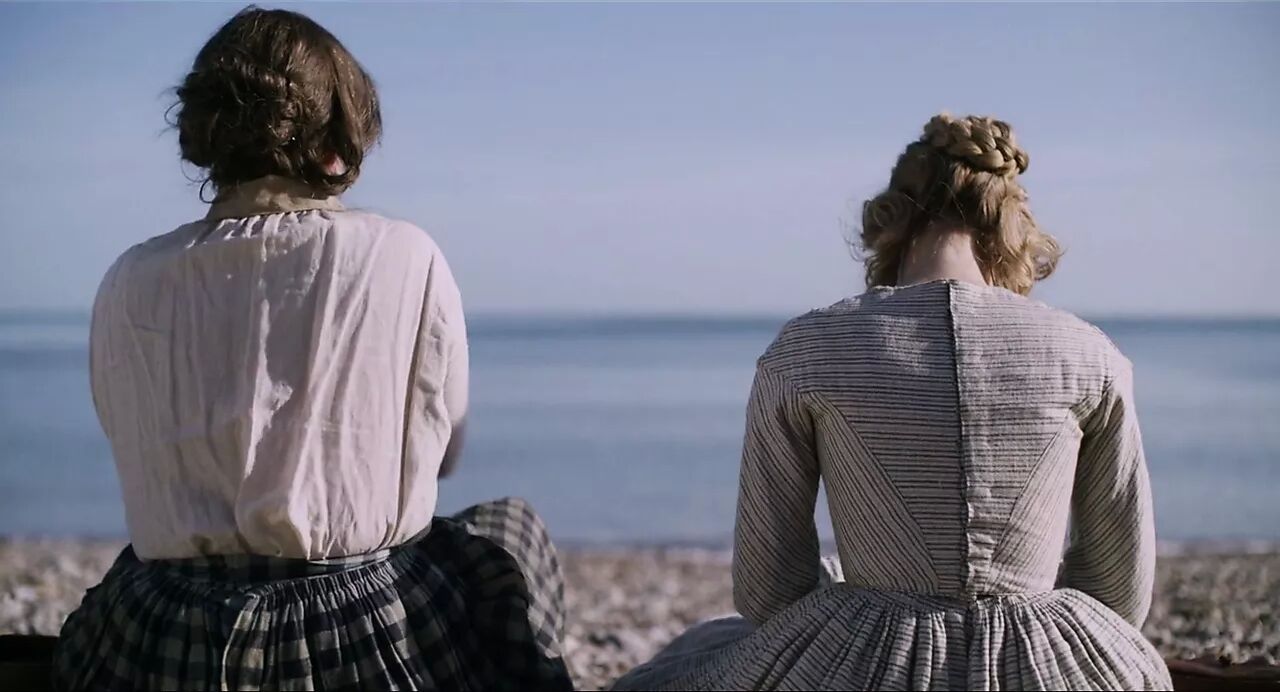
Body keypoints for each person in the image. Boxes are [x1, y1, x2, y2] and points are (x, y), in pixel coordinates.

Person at [52, 7, 572, 690]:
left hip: (159, 633)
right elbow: (444, 452)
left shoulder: (128, 277)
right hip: (356, 632)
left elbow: (127, 435)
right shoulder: (402, 254)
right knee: (510, 529)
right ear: (336, 139)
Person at [613, 113, 1173, 691]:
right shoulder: (1091, 355)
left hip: (864, 666)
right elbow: (1119, 592)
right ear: (1009, 223)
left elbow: (768, 589)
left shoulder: (807, 349)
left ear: (890, 216)